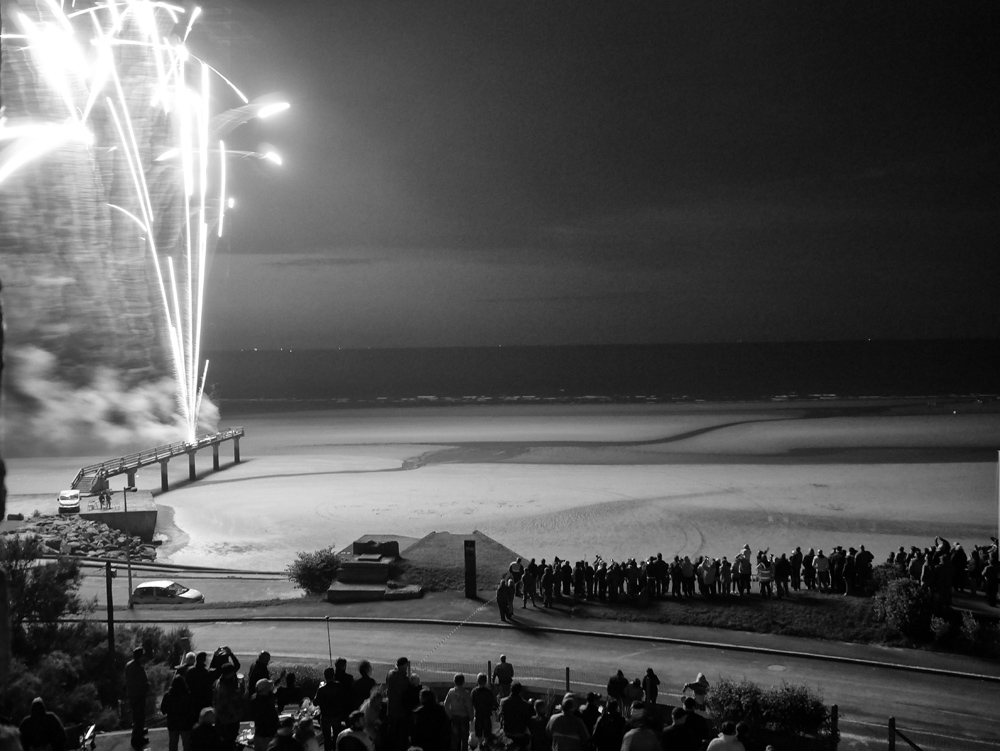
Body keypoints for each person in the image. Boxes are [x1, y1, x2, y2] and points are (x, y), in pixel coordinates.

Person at [161, 675, 198, 751]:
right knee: (187, 743)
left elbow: (163, 710)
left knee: (173, 744)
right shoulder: (188, 695)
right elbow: (193, 709)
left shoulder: (168, 696)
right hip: (186, 723)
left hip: (173, 723)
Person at [213, 664, 244, 751]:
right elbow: (234, 698)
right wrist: (241, 686)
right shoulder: (226, 687)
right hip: (229, 718)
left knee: (223, 742)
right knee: (228, 743)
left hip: (220, 717)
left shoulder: (218, 682)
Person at [125, 647, 149, 750]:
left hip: (132, 694)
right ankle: (138, 738)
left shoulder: (128, 665)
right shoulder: (138, 667)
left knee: (136, 716)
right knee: (140, 716)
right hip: (139, 695)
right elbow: (143, 681)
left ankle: (138, 733)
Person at [385, 657, 411, 751]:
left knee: (392, 730)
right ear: (404, 665)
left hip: (391, 707)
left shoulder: (390, 674)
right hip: (401, 709)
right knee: (401, 733)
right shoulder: (404, 678)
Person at [498, 683, 533, 750]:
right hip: (520, 733)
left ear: (511, 690)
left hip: (508, 731)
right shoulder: (525, 704)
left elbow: (500, 716)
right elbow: (528, 719)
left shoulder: (503, 702)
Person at [443, 674, 474, 751]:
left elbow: (446, 704)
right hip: (464, 717)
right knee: (464, 738)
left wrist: (449, 715)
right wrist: (471, 716)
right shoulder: (466, 693)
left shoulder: (451, 692)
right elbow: (469, 706)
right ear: (463, 682)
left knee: (455, 738)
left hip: (454, 717)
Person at [250, 680, 278, 751]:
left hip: (258, 734)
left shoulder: (254, 699)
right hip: (267, 736)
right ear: (265, 689)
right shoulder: (267, 703)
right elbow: (273, 719)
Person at [470, 673, 497, 748]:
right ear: (485, 681)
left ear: (477, 681)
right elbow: (493, 702)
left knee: (478, 729)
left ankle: (480, 742)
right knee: (487, 728)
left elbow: (471, 702)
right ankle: (485, 742)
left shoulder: (474, 691)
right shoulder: (488, 692)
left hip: (478, 713)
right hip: (487, 713)